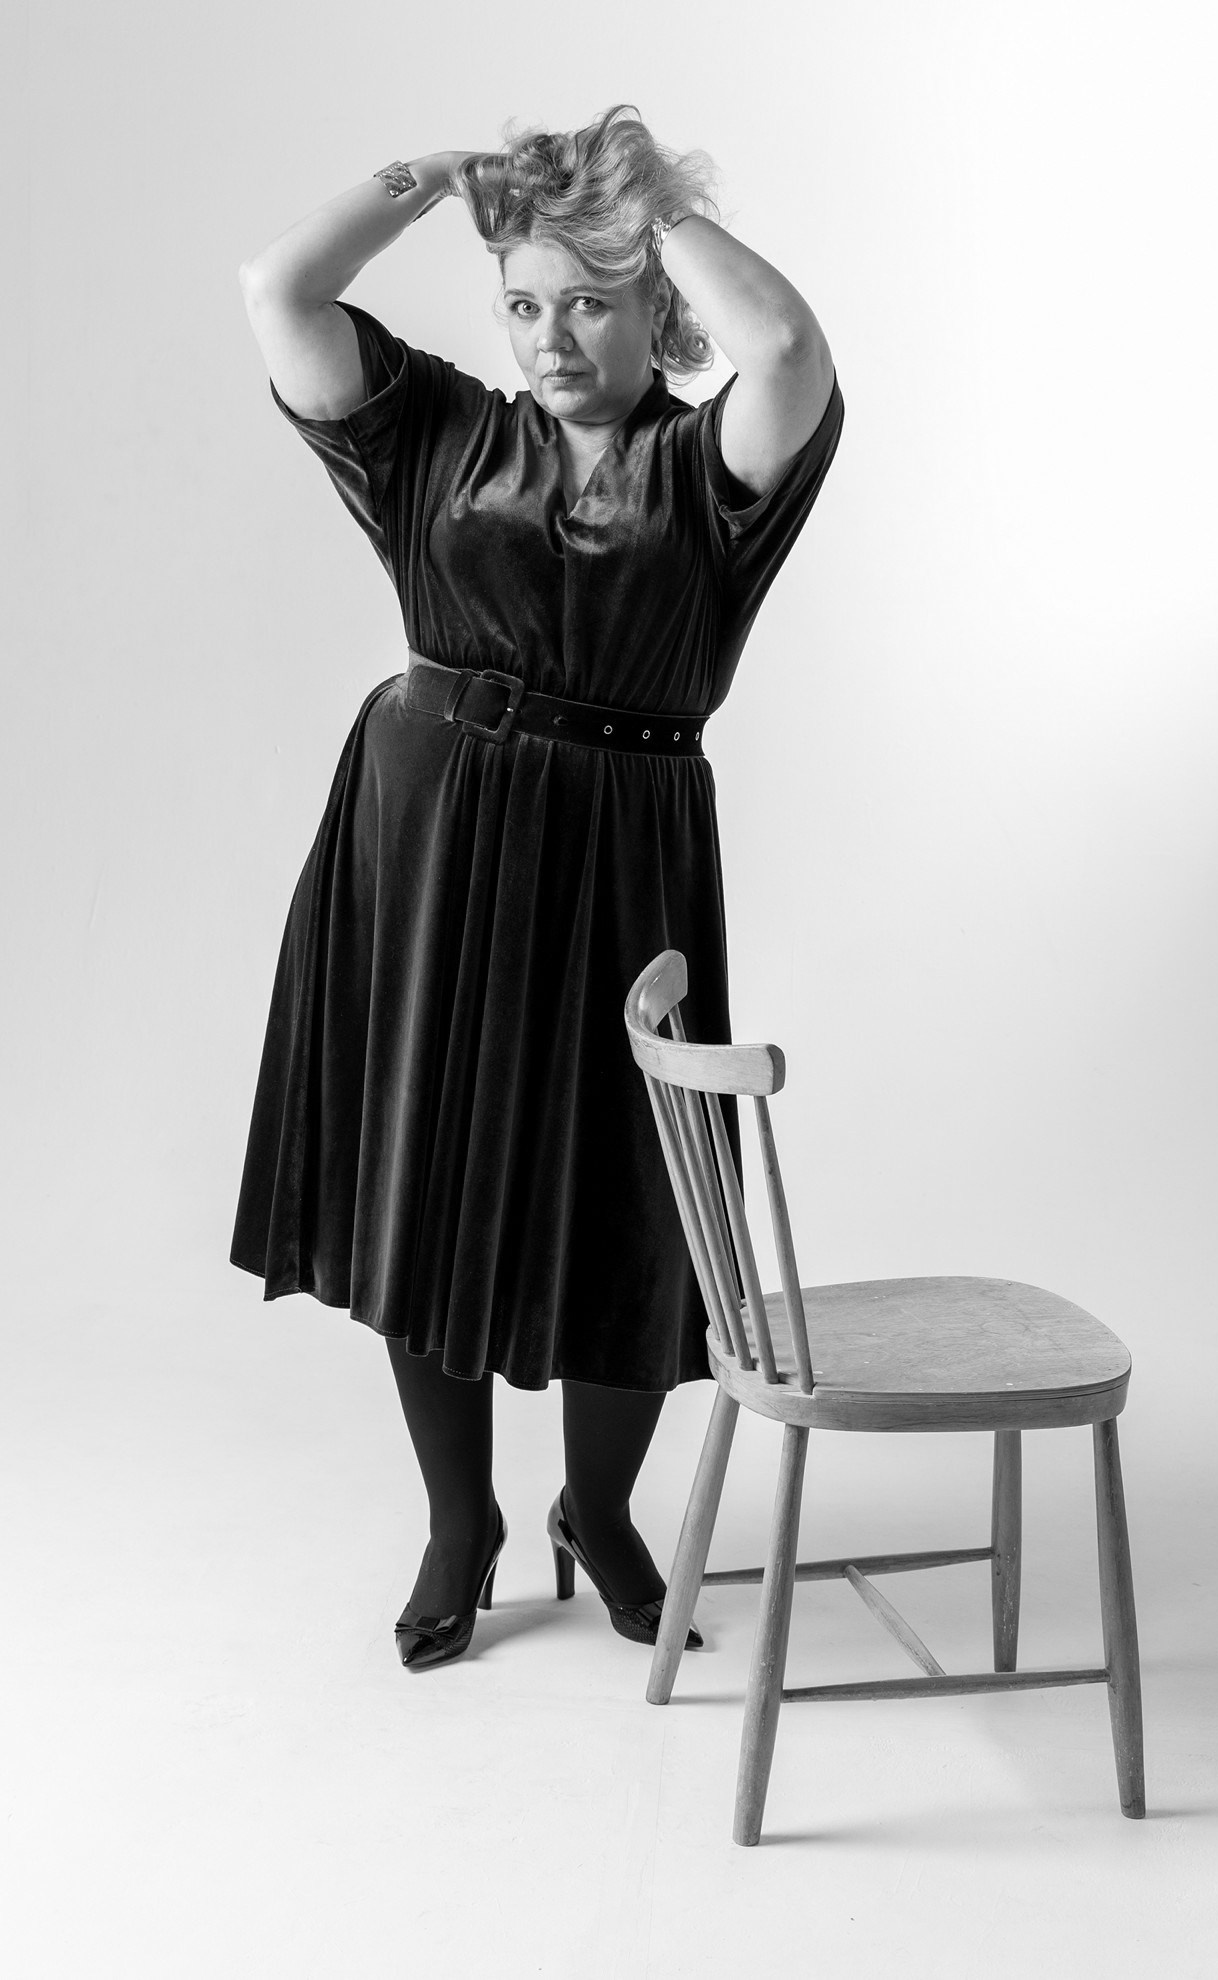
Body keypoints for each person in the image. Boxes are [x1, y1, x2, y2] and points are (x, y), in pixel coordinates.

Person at [230, 105, 843, 1671]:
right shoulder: (436, 431)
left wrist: (638, 202)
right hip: (425, 834)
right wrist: (432, 180)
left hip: (624, 847)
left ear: (655, 306)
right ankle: (462, 1525)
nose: (553, 337)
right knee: (421, 1174)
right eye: (523, 304)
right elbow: (279, 289)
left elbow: (785, 345)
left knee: (627, 1191)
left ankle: (602, 1512)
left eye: (590, 301)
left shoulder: (709, 471)